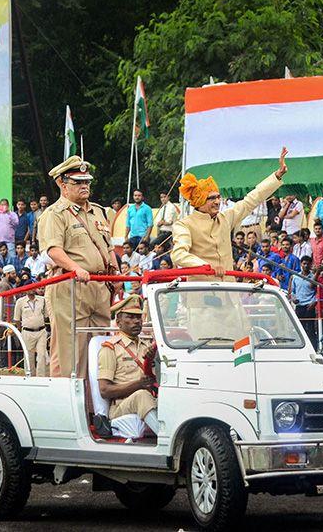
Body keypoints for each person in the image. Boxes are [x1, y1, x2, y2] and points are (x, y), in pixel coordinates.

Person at [39, 156, 117, 378]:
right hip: (70, 285)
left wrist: (117, 274)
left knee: (101, 346)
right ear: (62, 185)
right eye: (78, 182)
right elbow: (53, 250)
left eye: (87, 182)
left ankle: (96, 406)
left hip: (100, 285)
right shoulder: (54, 214)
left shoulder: (99, 211)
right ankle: (67, 403)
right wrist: (75, 268)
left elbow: (109, 248)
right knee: (70, 351)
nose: (85, 186)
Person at [172, 147, 288, 277]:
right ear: (199, 201)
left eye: (218, 197)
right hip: (201, 290)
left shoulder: (225, 218)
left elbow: (251, 200)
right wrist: (206, 266)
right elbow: (179, 254)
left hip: (228, 289)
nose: (217, 201)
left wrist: (277, 176)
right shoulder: (184, 225)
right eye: (211, 198)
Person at [97, 295, 159, 435]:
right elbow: (104, 390)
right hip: (121, 406)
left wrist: (156, 361)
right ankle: (166, 440)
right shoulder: (110, 348)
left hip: (151, 398)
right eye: (130, 317)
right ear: (118, 321)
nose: (136, 321)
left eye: (138, 317)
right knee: (141, 395)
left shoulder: (148, 346)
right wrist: (138, 385)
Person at [13, 286, 48, 377]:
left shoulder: (42, 300)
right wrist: (21, 329)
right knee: (29, 356)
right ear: (25, 289)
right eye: (29, 288)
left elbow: (46, 315)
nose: (31, 290)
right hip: (27, 332)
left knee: (42, 356)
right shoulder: (20, 301)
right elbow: (17, 319)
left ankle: (41, 378)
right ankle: (30, 377)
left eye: (33, 287)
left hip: (41, 331)